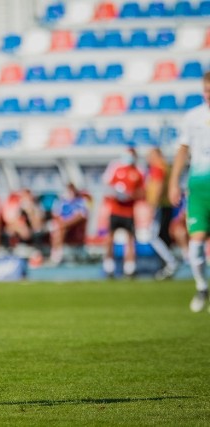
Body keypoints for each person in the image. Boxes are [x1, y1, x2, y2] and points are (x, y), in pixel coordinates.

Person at [169, 71, 210, 313]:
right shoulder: (193, 116)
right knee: (196, 240)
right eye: (205, 91)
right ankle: (201, 286)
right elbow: (182, 151)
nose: (208, 95)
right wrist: (174, 182)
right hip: (198, 187)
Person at [102, 147, 144, 278]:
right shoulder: (116, 169)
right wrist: (115, 194)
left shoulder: (138, 172)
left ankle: (129, 268)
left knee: (130, 240)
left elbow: (142, 192)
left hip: (129, 212)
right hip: (115, 210)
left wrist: (130, 195)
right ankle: (109, 267)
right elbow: (107, 187)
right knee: (109, 238)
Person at [145, 147, 179, 280]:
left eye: (150, 155)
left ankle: (171, 262)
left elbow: (158, 187)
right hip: (167, 205)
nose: (148, 159)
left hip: (160, 206)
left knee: (153, 236)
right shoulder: (167, 167)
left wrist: (152, 206)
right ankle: (166, 265)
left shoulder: (158, 168)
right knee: (162, 236)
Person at [49, 183, 88, 265]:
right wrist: (63, 223)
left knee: (61, 227)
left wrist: (66, 223)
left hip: (75, 227)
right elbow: (56, 214)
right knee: (58, 228)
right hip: (62, 226)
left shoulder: (80, 201)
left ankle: (56, 254)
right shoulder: (61, 201)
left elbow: (82, 215)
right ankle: (56, 253)